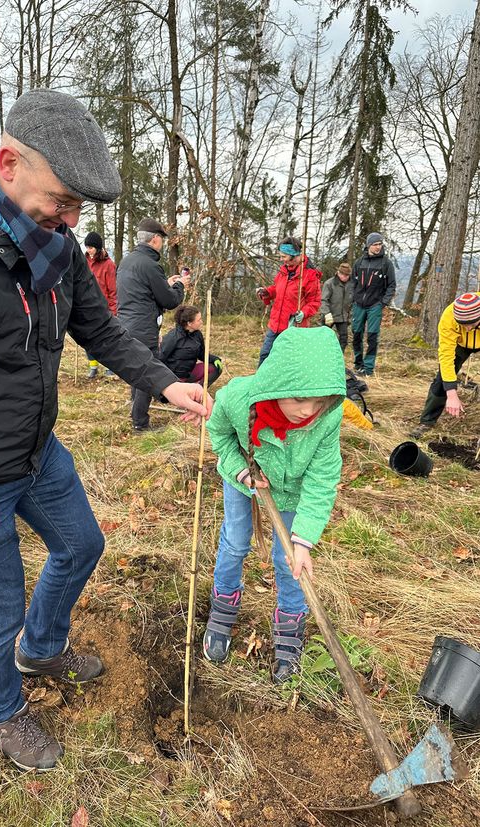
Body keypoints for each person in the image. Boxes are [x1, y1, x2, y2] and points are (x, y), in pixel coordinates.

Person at [0, 88, 210, 772]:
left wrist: (164, 381)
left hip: (36, 451)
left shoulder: (53, 245)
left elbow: (100, 328)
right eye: (63, 199)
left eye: (81, 207)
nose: (72, 219)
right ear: (11, 163)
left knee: (83, 544)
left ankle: (42, 646)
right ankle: (1, 713)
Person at [203, 326, 346, 682]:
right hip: (244, 479)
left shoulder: (326, 418)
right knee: (236, 543)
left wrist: (303, 540)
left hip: (292, 493)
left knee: (290, 564)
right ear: (278, 382)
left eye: (319, 401)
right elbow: (218, 434)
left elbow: (322, 479)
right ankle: (223, 607)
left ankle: (289, 626)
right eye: (300, 399)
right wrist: (240, 472)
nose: (308, 410)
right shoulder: (237, 399)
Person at [117, 218, 191, 431]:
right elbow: (170, 301)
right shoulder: (150, 265)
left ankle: (135, 409)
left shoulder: (128, 261)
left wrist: (165, 284)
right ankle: (140, 423)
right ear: (156, 239)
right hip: (143, 327)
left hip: (126, 325)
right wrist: (179, 285)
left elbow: (143, 292)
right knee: (146, 374)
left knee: (135, 368)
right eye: (162, 240)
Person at [410, 292, 480, 439]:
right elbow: (446, 358)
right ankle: (427, 422)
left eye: (470, 324)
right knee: (442, 380)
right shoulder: (449, 316)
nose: (466, 328)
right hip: (460, 344)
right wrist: (452, 393)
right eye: (462, 325)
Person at [256, 236, 322, 365]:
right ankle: (261, 383)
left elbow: (314, 302)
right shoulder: (284, 271)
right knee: (265, 355)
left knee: (289, 361)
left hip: (293, 327)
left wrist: (303, 313)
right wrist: (267, 292)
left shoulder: (309, 275)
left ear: (294, 255)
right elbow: (277, 289)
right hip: (275, 324)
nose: (281, 260)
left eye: (284, 256)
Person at [351, 232, 396, 376]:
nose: (378, 247)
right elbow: (353, 282)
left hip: (375, 305)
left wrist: (383, 302)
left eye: (380, 244)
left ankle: (368, 368)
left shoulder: (386, 263)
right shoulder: (359, 262)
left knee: (372, 336)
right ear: (368, 245)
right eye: (375, 244)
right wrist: (353, 298)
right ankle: (358, 364)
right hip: (358, 304)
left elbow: (391, 285)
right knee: (356, 333)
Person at [160, 304, 222, 388]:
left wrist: (215, 359)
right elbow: (160, 358)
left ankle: (198, 391)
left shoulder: (197, 334)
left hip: (189, 374)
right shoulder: (173, 337)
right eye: (199, 320)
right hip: (174, 379)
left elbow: (201, 354)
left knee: (215, 368)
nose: (201, 322)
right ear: (189, 323)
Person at [83, 231, 117, 379]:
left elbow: (113, 290)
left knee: (105, 339)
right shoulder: (83, 261)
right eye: (87, 247)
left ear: (98, 247)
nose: (89, 250)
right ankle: (93, 366)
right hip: (85, 307)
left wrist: (113, 310)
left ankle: (110, 367)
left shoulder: (108, 265)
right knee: (87, 338)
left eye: (91, 247)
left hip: (103, 308)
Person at [321, 262, 354, 352]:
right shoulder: (329, 283)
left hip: (343, 317)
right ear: (338, 273)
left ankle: (338, 357)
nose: (345, 277)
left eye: (347, 275)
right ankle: (323, 356)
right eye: (343, 274)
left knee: (344, 339)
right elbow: (324, 300)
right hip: (329, 316)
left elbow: (353, 302)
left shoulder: (352, 285)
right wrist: (326, 313)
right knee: (323, 338)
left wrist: (350, 316)